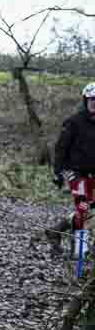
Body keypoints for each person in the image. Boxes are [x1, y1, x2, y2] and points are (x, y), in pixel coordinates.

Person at [47, 83, 95, 252]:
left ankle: (57, 229)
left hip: (93, 174)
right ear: (86, 100)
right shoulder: (73, 122)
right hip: (75, 172)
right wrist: (58, 172)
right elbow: (60, 148)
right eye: (92, 99)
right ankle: (78, 250)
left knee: (89, 210)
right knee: (83, 207)